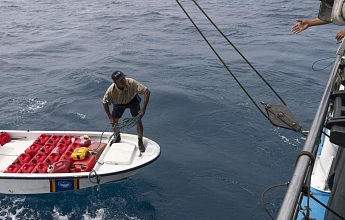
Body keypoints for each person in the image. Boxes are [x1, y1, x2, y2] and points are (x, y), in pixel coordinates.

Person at [102, 70, 150, 153]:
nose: (123, 80)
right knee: (114, 121)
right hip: (118, 104)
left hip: (132, 101)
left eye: (123, 78)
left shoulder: (131, 82)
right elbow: (104, 103)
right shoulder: (110, 91)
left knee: (138, 120)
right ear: (115, 82)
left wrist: (143, 108)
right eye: (120, 80)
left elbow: (146, 91)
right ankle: (117, 137)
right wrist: (110, 117)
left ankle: (140, 141)